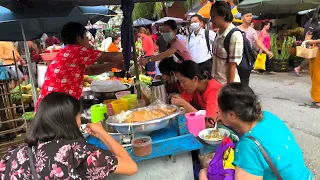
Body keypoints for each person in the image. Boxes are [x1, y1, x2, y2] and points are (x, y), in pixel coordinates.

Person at [0, 92, 138, 179]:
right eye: (79, 118)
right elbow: (131, 167)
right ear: (70, 122)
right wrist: (102, 133)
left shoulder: (13, 156)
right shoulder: (77, 154)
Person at [199, 83, 314, 180]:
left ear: (232, 115)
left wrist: (203, 177)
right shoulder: (268, 117)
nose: (217, 114)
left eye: (219, 110)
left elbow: (251, 151)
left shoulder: (248, 147)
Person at [36, 22, 123, 110]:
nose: (88, 39)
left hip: (48, 107)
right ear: (78, 39)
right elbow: (108, 56)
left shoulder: (66, 52)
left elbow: (90, 71)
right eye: (85, 37)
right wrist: (130, 55)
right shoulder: (76, 50)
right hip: (56, 107)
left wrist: (113, 65)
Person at [170, 61, 222, 127]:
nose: (181, 85)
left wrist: (184, 104)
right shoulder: (191, 88)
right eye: (180, 82)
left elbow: (210, 124)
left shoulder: (214, 90)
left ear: (195, 79)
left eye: (183, 82)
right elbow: (180, 108)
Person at [210, 1, 243, 85]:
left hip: (226, 85)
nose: (211, 20)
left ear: (223, 16)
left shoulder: (235, 35)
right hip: (216, 83)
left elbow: (232, 65)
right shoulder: (219, 32)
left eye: (213, 17)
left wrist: (228, 90)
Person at [294, 6, 320, 76]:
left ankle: (298, 68)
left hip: (314, 42)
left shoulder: (312, 21)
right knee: (311, 56)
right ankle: (298, 68)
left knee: (311, 56)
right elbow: (308, 36)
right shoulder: (314, 23)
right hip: (314, 42)